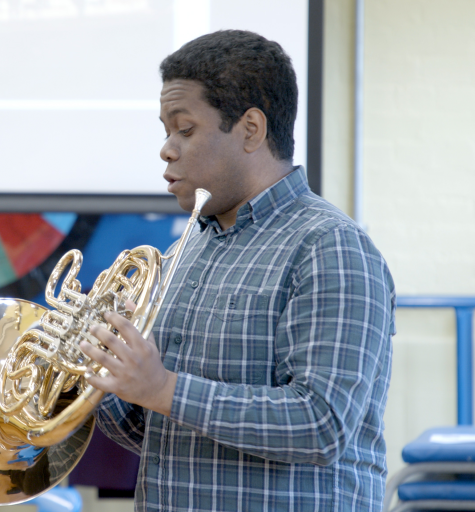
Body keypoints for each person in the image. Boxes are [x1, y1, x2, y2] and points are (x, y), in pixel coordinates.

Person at [79, 30, 396, 511]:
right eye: (165, 132)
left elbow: (321, 424)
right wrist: (104, 376)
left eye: (185, 130)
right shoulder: (188, 249)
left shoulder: (330, 245)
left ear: (250, 129)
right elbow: (158, 432)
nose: (167, 149)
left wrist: (163, 387)